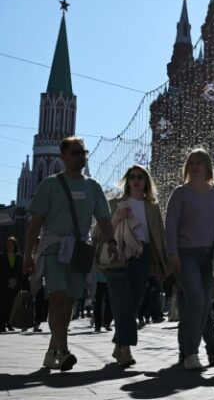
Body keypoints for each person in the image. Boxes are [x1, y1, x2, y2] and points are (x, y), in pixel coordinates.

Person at [23, 136, 118, 371]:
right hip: (54, 248)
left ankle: (52, 351)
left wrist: (112, 242)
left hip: (79, 251)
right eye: (75, 153)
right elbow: (35, 221)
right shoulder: (51, 184)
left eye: (83, 152)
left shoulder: (93, 186)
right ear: (63, 157)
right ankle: (64, 352)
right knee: (57, 297)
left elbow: (104, 219)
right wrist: (28, 254)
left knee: (69, 303)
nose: (81, 156)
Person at [165, 148, 214, 370]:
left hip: (209, 255)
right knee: (196, 300)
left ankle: (187, 349)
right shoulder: (180, 193)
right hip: (186, 255)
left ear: (207, 167)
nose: (195, 166)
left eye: (199, 162)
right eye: (191, 162)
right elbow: (171, 226)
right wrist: (172, 254)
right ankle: (191, 352)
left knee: (203, 303)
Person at [98, 164, 169, 366]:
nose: (136, 180)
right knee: (122, 303)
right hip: (118, 255)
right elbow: (102, 232)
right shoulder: (115, 203)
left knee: (135, 302)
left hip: (142, 256)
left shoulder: (153, 207)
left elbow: (159, 237)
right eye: (132, 177)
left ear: (146, 181)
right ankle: (126, 350)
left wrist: (164, 263)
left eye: (140, 177)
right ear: (127, 181)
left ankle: (119, 344)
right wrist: (117, 217)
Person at [1, 237, 26, 332]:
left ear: (15, 246)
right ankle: (2, 324)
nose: (9, 246)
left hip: (15, 285)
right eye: (7, 244)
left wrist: (18, 282)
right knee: (3, 305)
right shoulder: (1, 257)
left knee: (12, 305)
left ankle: (10, 323)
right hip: (3, 285)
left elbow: (20, 271)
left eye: (11, 244)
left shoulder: (19, 257)